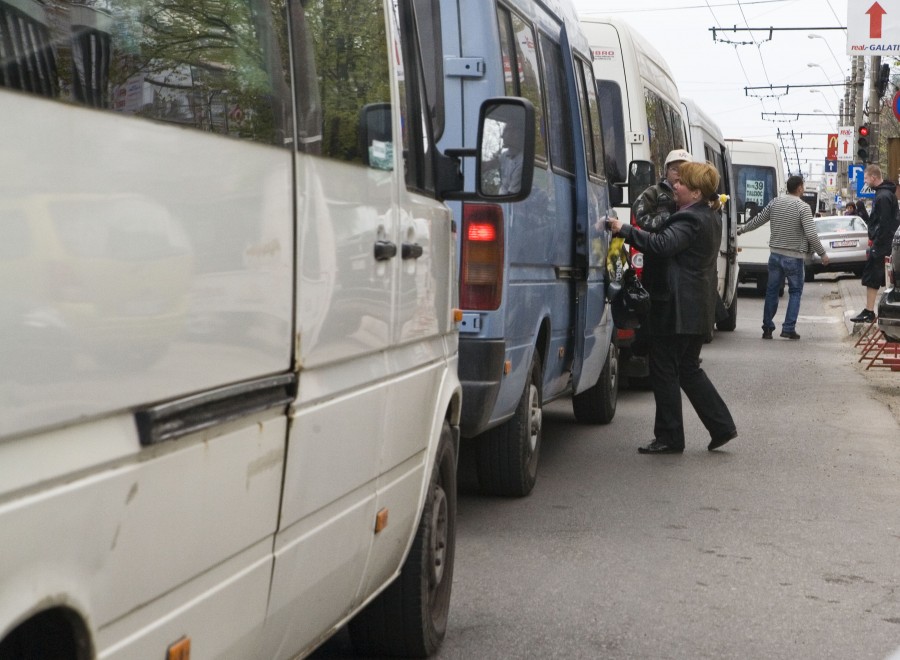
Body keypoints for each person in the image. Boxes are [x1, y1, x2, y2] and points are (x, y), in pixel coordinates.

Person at [609, 162, 737, 454]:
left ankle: (669, 437)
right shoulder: (708, 215)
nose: (674, 186)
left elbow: (662, 245)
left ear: (695, 191)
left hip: (678, 308)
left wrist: (623, 230)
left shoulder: (690, 219)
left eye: (680, 184)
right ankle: (721, 426)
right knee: (688, 368)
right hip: (696, 307)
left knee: (664, 368)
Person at [737, 175, 829, 340]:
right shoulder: (803, 207)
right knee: (795, 291)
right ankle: (788, 328)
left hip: (775, 255)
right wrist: (822, 254)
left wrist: (742, 230)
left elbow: (758, 220)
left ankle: (767, 328)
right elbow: (810, 233)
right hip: (794, 257)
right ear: (800, 187)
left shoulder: (775, 202)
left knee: (771, 291)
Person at [849, 165, 899, 323]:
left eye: (865, 178)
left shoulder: (883, 196)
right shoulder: (885, 194)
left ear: (873, 177)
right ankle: (875, 310)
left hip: (882, 244)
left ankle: (872, 311)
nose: (864, 182)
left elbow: (884, 223)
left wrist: (877, 244)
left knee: (874, 276)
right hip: (884, 243)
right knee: (881, 277)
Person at [632, 148, 692, 231]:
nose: (680, 173)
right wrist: (669, 220)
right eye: (675, 169)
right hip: (661, 241)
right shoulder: (654, 192)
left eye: (685, 170)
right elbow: (640, 216)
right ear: (666, 171)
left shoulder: (696, 194)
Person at [498, 122, 524, 195]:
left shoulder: (522, 162)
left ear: (516, 134)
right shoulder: (505, 155)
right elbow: (490, 164)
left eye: (506, 131)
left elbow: (511, 195)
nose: (502, 136)